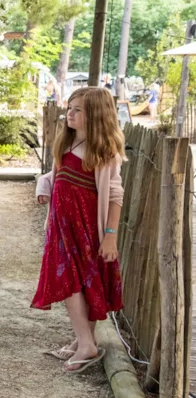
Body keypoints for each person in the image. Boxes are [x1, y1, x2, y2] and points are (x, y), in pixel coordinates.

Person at [34, 87, 125, 374]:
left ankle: (87, 344)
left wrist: (110, 236)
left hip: (88, 230)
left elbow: (114, 196)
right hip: (63, 229)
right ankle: (83, 339)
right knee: (75, 283)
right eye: (68, 108)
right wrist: (44, 185)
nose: (69, 114)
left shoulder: (104, 153)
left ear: (95, 115)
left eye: (76, 110)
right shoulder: (67, 143)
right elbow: (57, 173)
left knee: (81, 284)